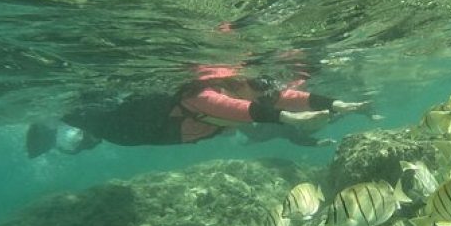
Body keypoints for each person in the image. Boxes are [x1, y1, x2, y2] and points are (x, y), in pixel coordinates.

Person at [25, 64, 370, 158]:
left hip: (146, 129)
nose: (270, 93)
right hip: (130, 129)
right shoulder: (203, 94)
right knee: (80, 111)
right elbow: (241, 110)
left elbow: (292, 97)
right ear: (242, 81)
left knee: (91, 123)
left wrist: (341, 104)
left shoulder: (248, 91)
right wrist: (292, 119)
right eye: (261, 86)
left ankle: (72, 136)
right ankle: (51, 127)